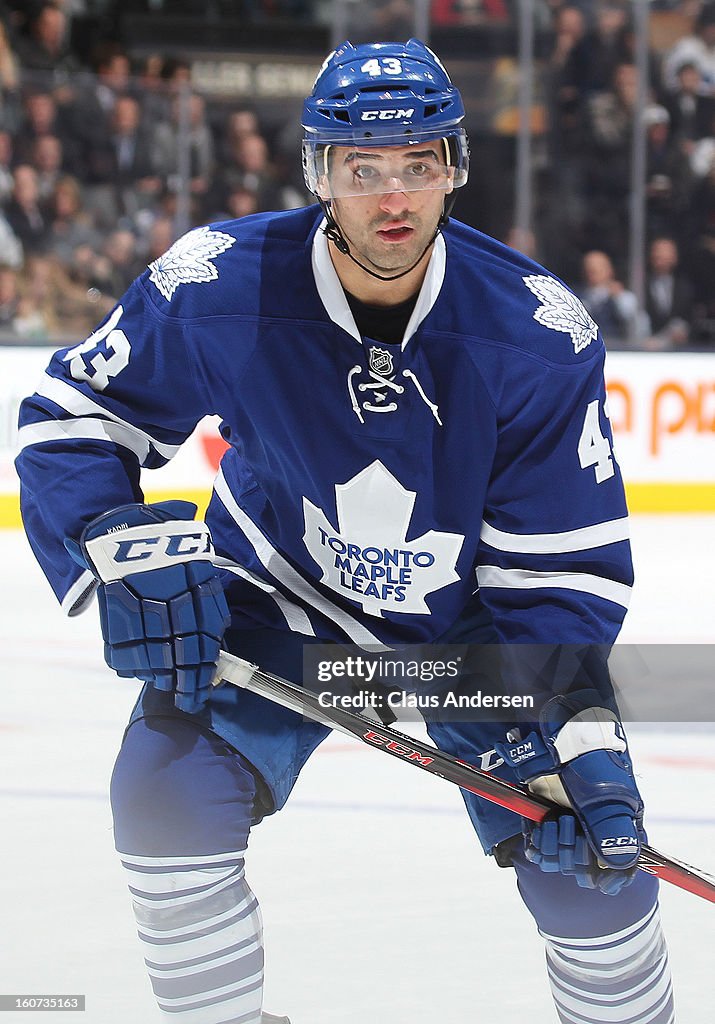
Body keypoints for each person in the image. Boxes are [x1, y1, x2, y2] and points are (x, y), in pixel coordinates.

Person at [15, 39, 674, 1024]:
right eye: (362, 169)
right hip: (278, 596)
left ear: (454, 167)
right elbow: (74, 415)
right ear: (319, 173)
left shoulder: (538, 337)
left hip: (468, 635)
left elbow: (558, 573)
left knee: (590, 871)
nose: (392, 197)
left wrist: (573, 730)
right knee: (162, 794)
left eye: (417, 164)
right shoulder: (219, 285)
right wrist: (118, 548)